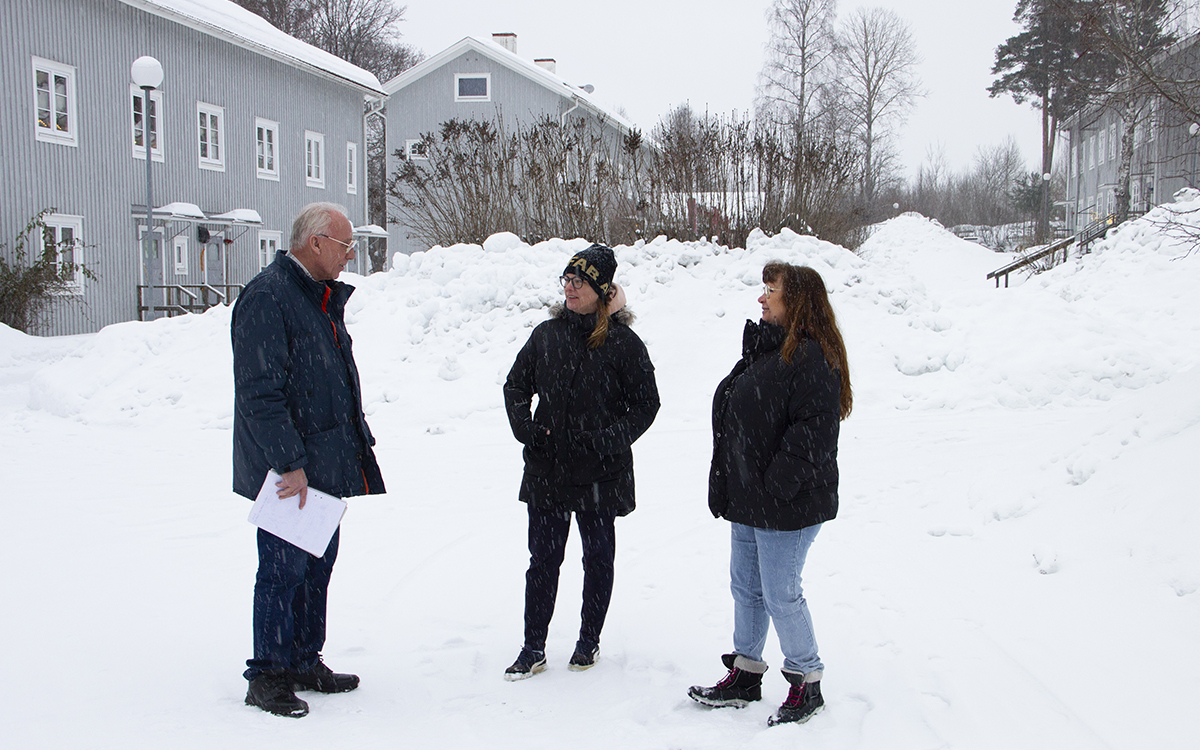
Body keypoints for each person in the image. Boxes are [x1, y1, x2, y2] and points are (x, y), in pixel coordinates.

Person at [231, 202, 385, 718]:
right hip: (290, 473)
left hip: (325, 463)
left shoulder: (315, 297)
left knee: (317, 566)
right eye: (344, 246)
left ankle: (302, 658)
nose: (349, 256)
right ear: (315, 242)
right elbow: (260, 393)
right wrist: (288, 461)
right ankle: (268, 675)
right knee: (281, 572)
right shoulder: (269, 297)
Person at [687, 261, 852, 727]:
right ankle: (746, 673)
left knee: (781, 593)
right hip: (751, 497)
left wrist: (777, 486)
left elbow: (814, 434)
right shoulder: (766, 349)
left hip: (787, 502)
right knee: (747, 588)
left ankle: (807, 681)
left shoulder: (813, 357)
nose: (761, 298)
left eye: (771, 290)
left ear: (795, 301)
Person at [502, 244, 660, 680]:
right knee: (543, 560)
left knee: (598, 558)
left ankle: (588, 641)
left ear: (602, 290)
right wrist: (529, 431)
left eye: (580, 281)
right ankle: (533, 647)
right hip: (548, 466)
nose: (569, 287)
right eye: (566, 280)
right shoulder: (546, 335)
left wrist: (608, 439)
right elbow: (515, 387)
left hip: (600, 470)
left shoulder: (623, 344)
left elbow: (647, 404)